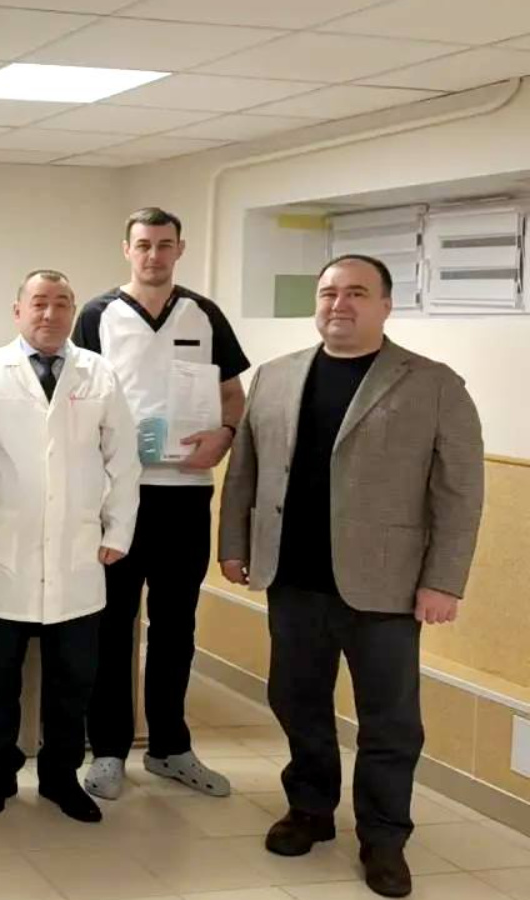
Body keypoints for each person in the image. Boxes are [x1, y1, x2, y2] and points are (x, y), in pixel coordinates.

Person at [218, 254, 484, 899]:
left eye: (357, 293)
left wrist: (444, 581)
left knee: (390, 721)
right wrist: (233, 544)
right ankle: (310, 809)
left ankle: (384, 838)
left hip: (387, 586)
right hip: (293, 577)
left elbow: (459, 492)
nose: (340, 304)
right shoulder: (276, 377)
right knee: (296, 701)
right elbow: (246, 471)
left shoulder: (433, 383)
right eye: (329, 292)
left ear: (386, 305)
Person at [73, 207, 250, 802]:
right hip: (117, 499)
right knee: (111, 627)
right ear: (127, 249)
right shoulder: (98, 315)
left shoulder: (205, 315)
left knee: (176, 627)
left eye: (165, 245)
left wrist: (224, 436)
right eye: (144, 245)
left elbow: (232, 395)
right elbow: (75, 395)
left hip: (186, 497)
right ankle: (108, 751)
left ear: (180, 249)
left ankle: (170, 747)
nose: (154, 255)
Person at [0, 270, 140, 824]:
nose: (50, 313)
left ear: (72, 312)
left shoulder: (99, 373)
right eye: (39, 303)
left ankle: (61, 776)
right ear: (18, 310)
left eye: (62, 304)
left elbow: (123, 458)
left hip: (78, 553)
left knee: (73, 680)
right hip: (2, 551)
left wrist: (118, 531)